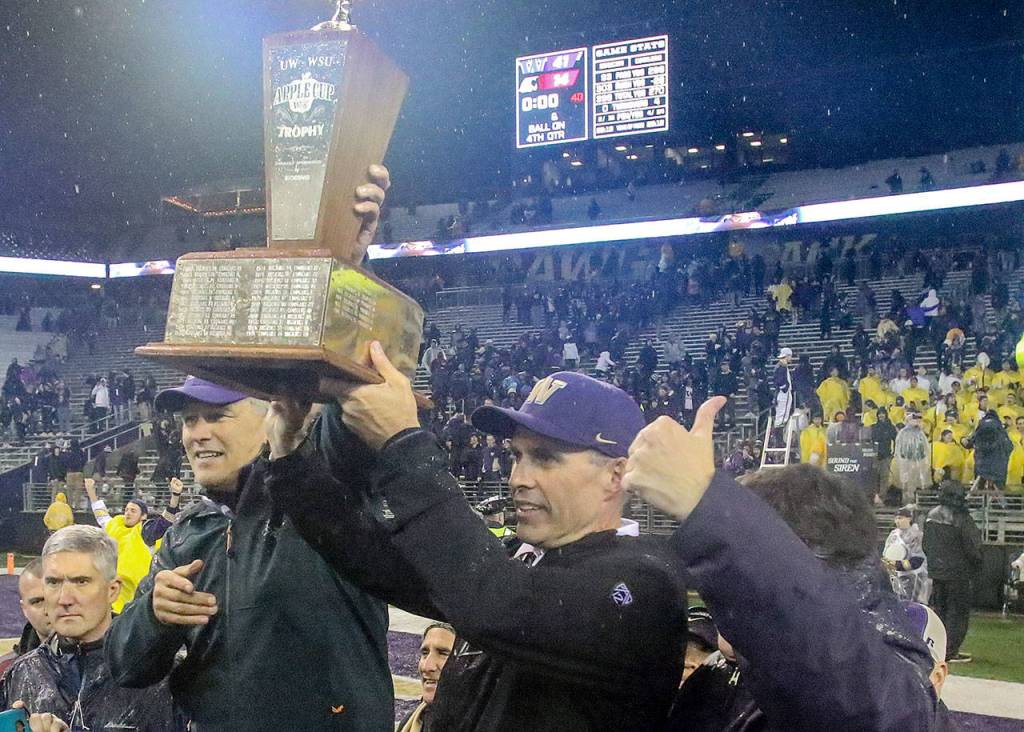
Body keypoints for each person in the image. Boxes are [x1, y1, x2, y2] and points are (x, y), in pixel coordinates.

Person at [106, 168, 411, 729]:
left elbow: (356, 379)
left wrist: (350, 261)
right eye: (188, 420)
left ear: (272, 411)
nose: (196, 433)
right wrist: (153, 615)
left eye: (216, 415)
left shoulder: (324, 491)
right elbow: (125, 665)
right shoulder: (189, 532)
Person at [320, 356, 690, 730]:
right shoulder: (525, 560)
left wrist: (403, 445)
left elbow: (495, 603)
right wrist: (292, 461)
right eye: (516, 455)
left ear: (615, 474)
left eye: (544, 458)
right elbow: (384, 566)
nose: (517, 478)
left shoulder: (646, 583)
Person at [622, 404, 942, 729]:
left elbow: (860, 706)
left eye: (740, 583)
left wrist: (706, 505)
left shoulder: (892, 686)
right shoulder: (720, 675)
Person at [0, 526, 175, 729]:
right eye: (53, 583)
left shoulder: (165, 675)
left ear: (112, 590)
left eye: (81, 582)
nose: (64, 599)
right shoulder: (20, 675)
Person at [923, 480, 982, 663]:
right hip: (958, 574)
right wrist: (976, 565)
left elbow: (926, 545)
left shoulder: (931, 515)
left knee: (940, 611)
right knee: (957, 613)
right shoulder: (962, 518)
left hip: (937, 573)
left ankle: (938, 648)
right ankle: (950, 651)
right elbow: (973, 549)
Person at [85, 478, 152, 613]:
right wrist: (91, 491)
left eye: (133, 510)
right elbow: (101, 514)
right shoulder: (114, 525)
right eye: (126, 510)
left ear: (143, 516)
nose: (128, 513)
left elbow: (165, 523)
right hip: (113, 586)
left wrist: (175, 497)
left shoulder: (148, 532)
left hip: (138, 591)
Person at [398, 623, 457, 732]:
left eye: (443, 653)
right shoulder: (411, 722)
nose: (426, 667)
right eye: (425, 653)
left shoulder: (485, 723)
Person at [0, 560, 51, 677]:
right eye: (38, 602)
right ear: (24, 609)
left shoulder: (94, 666)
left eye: (54, 598)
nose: (48, 610)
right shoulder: (6, 673)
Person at [884, 507, 930, 603]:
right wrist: (888, 564)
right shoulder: (893, 535)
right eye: (896, 518)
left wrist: (896, 565)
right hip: (897, 577)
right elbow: (886, 555)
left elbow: (917, 561)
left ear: (909, 519)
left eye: (900, 518)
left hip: (915, 577)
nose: (897, 521)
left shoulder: (917, 535)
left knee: (913, 604)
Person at [872, 408, 898, 503]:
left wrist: (894, 453)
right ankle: (874, 497)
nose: (881, 415)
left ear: (886, 415)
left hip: (886, 456)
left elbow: (896, 440)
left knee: (884, 477)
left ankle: (882, 497)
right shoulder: (874, 427)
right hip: (875, 455)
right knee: (874, 477)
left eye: (883, 414)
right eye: (879, 414)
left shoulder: (891, 427)